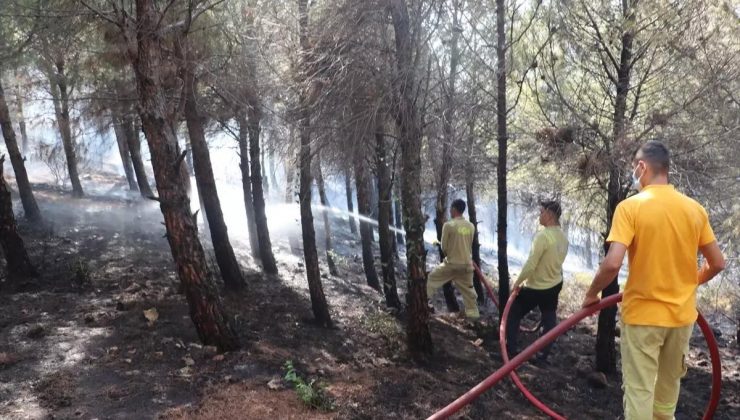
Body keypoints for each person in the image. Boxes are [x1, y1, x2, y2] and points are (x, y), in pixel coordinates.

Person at [581, 141, 726, 420]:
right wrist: (690, 282)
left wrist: (592, 294)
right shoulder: (694, 209)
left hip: (643, 318)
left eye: (635, 167)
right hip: (682, 318)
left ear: (642, 167)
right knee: (665, 401)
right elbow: (718, 263)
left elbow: (612, 263)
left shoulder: (630, 208)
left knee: (639, 394)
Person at [505, 200, 569, 364]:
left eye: (541, 212)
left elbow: (531, 264)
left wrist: (518, 282)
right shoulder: (563, 237)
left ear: (549, 214)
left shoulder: (543, 236)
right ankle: (542, 357)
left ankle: (510, 353)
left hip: (536, 287)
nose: (539, 215)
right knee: (549, 320)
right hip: (554, 285)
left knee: (513, 313)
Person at [427, 199, 479, 320]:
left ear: (454, 209)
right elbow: (467, 245)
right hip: (466, 266)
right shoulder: (471, 226)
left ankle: (422, 304)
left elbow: (444, 247)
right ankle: (474, 318)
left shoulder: (448, 225)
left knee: (431, 279)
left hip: (451, 265)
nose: (450, 211)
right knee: (469, 294)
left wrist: (445, 248)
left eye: (451, 208)